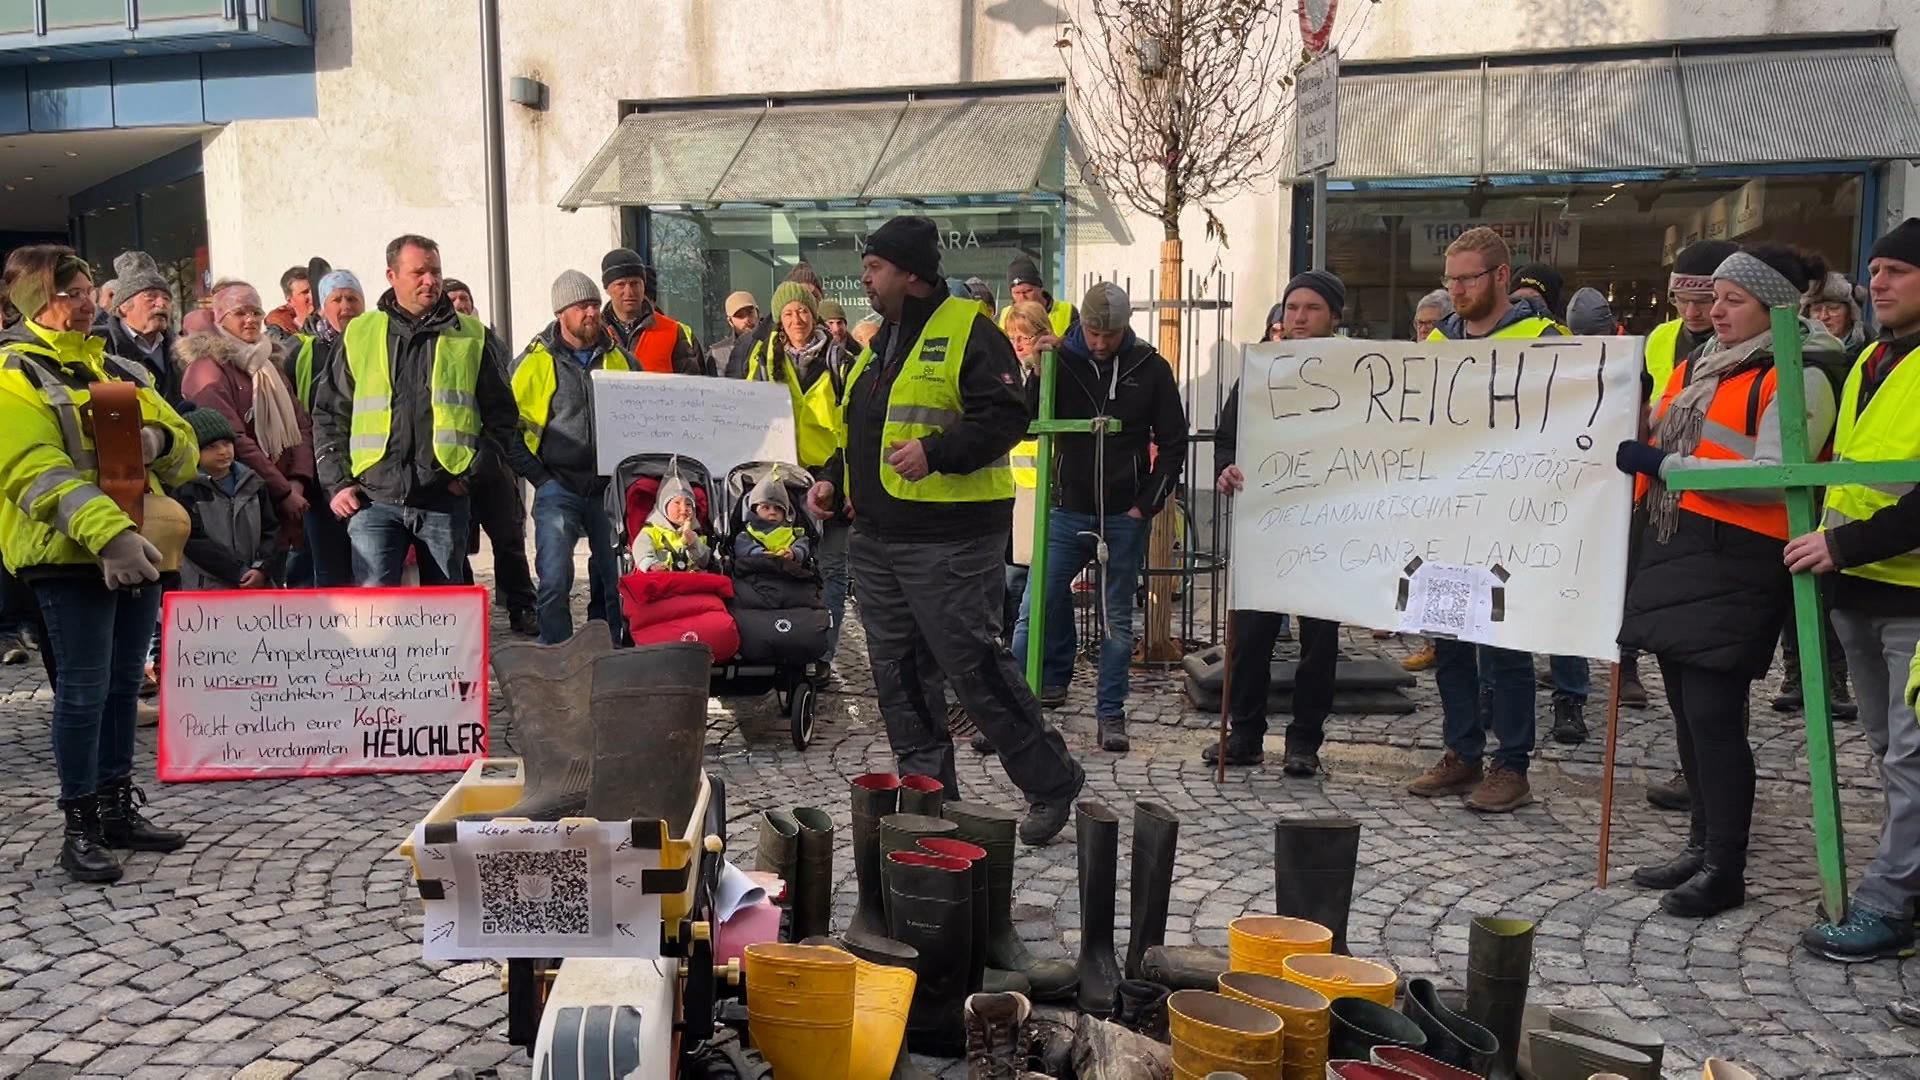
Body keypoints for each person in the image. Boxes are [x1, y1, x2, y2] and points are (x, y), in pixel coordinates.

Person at [810, 215, 1083, 844]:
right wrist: (832, 478)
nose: (865, 279)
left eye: (875, 268)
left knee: (974, 670)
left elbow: (1005, 416)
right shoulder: (880, 342)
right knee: (899, 678)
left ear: (910, 273)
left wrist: (938, 451)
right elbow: (863, 429)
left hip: (950, 542)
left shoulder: (969, 329)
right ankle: (931, 802)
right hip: (878, 540)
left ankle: (1051, 780)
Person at [1617, 244, 1842, 919]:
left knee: (1715, 715)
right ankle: (1700, 845)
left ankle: (1726, 866)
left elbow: (1771, 474)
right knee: (1687, 710)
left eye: (1732, 299)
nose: (1715, 310)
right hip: (1683, 543)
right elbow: (1667, 432)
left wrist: (1664, 464)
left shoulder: (1798, 375)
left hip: (1742, 554)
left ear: (1774, 306)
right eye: (1714, 298)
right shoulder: (1704, 366)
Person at [0, 244, 198, 883]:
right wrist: (109, 535)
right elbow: (32, 470)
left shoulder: (118, 367)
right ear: (36, 300)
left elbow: (188, 441)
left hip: (137, 549)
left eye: (89, 290)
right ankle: (79, 824)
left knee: (120, 685)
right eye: (70, 293)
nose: (87, 302)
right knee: (83, 692)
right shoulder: (13, 371)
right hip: (66, 555)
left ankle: (116, 808)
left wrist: (158, 439)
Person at [1793, 218, 1920, 961]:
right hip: (1859, 591)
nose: (1879, 283)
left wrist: (1841, 542)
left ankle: (1889, 903)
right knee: (1885, 748)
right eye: (1875, 269)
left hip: (1908, 591)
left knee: (1910, 756)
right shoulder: (1873, 356)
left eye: (1898, 270)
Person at [1407, 227, 1565, 814]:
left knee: (1505, 645)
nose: (1456, 290)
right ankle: (1462, 752)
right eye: (1450, 279)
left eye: (1467, 278)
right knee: (1449, 641)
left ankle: (1512, 765)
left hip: (1511, 518)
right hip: (1448, 516)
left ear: (1501, 276)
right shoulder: (1439, 343)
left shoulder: (1546, 338)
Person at [1009, 281, 1186, 753]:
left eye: (1109, 335)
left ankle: (1111, 714)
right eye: (1092, 333)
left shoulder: (1150, 367)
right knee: (1033, 609)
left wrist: (1144, 505)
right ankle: (1013, 714)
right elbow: (1025, 420)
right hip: (1067, 510)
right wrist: (1036, 369)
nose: (1100, 343)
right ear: (1080, 325)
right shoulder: (1060, 358)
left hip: (1124, 515)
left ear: (1125, 328)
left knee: (1115, 622)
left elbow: (1173, 444)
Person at [310, 233, 526, 588]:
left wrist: (474, 474)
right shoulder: (360, 333)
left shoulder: (471, 334)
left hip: (444, 496)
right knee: (375, 619)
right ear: (391, 276)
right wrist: (337, 484)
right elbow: (330, 413)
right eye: (420, 273)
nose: (431, 281)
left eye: (436, 272)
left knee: (445, 616)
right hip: (372, 499)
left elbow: (502, 415)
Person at [1208, 270, 1349, 776]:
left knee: (1318, 643)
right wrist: (1226, 468)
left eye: (1311, 308)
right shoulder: (1259, 372)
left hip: (1325, 528)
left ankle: (1304, 741)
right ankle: (1244, 732)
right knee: (1250, 638)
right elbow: (1229, 437)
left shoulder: (1353, 374)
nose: (1299, 317)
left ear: (1334, 317)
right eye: (1292, 308)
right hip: (1265, 525)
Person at [1637, 239, 1743, 810]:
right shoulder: (1672, 344)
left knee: (1713, 694)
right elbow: (1660, 404)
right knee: (1682, 683)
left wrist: (1660, 461)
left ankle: (1716, 822)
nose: (1700, 313)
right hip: (1670, 520)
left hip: (1729, 535)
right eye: (1687, 300)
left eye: (1717, 300)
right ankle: (1700, 801)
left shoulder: (1761, 361)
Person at [511, 270, 631, 646]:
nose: (592, 312)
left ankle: (616, 653)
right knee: (554, 579)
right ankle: (557, 657)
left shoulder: (623, 361)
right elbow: (507, 429)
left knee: (619, 580)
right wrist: (540, 478)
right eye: (582, 306)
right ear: (561, 312)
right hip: (557, 487)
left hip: (611, 489)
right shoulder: (533, 363)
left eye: (595, 304)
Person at [745, 280, 855, 672]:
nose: (797, 319)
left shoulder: (842, 357)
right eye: (788, 312)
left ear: (815, 313)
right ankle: (789, 642)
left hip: (833, 473)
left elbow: (855, 423)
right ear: (778, 319)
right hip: (782, 480)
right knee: (785, 563)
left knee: (832, 569)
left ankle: (822, 654)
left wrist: (849, 484)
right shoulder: (763, 357)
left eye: (803, 311)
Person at [440, 280, 539, 634]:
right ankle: (466, 614)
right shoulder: (435, 343)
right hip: (452, 462)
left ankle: (522, 607)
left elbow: (503, 401)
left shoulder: (486, 340)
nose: (459, 305)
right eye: (452, 300)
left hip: (492, 460)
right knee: (454, 545)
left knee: (508, 540)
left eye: (465, 298)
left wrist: (495, 449)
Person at [178, 280, 315, 535]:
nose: (250, 319)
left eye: (256, 312)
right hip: (239, 502)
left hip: (283, 498)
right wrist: (283, 489)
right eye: (240, 313)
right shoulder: (208, 368)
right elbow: (232, 439)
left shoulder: (268, 362)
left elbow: (301, 426)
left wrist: (298, 480)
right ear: (220, 318)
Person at [284, 270, 361, 588]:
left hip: (369, 477)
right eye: (337, 299)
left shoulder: (376, 343)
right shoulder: (301, 353)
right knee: (329, 570)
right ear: (320, 307)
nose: (345, 306)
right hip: (321, 479)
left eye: (352, 298)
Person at [1401, 289, 1456, 673]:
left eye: (1432, 324)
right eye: (1420, 324)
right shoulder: (1410, 363)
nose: (1424, 331)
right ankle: (1430, 639)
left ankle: (1446, 642)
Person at [176, 406, 285, 591]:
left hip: (256, 585)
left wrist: (262, 568)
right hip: (206, 591)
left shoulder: (254, 483)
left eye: (226, 443)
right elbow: (193, 542)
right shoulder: (185, 490)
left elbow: (271, 531)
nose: (222, 451)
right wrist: (237, 571)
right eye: (211, 447)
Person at [601, 249, 703, 375]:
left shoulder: (672, 331)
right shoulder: (594, 333)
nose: (629, 292)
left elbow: (691, 384)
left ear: (644, 286)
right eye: (621, 284)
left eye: (635, 283)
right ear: (607, 289)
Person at [104, 251, 180, 404]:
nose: (161, 304)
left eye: (166, 298)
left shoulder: (183, 351)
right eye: (150, 297)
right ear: (124, 306)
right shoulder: (100, 348)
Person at [734, 474, 813, 573]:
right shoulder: (747, 533)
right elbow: (743, 549)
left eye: (778, 508)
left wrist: (794, 553)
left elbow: (803, 545)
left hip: (791, 573)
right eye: (766, 508)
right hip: (758, 572)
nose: (772, 512)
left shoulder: (794, 532)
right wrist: (761, 553)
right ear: (754, 511)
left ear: (785, 512)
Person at [636, 473, 713, 572]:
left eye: (689, 504)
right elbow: (641, 550)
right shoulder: (651, 532)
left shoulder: (697, 535)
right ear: (664, 508)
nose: (684, 508)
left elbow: (704, 562)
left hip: (691, 581)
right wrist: (652, 564)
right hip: (662, 579)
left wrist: (694, 543)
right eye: (677, 503)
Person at [1001, 256, 1077, 337]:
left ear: (1041, 288)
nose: (1022, 297)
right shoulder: (1006, 314)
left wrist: (1059, 344)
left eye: (1027, 291)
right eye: (1016, 293)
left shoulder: (1067, 310)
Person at [1804, 270, 1870, 352]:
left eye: (1833, 308)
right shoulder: (1795, 347)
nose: (1823, 316)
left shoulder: (1872, 349)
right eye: (1817, 309)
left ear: (1851, 313)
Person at [711, 290, 759, 375]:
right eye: (740, 316)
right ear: (730, 321)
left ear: (757, 313)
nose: (746, 320)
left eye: (750, 313)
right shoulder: (717, 353)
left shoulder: (774, 342)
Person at [266, 264, 314, 340]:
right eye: (305, 292)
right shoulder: (279, 337)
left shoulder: (331, 327)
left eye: (314, 290)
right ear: (290, 301)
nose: (312, 296)